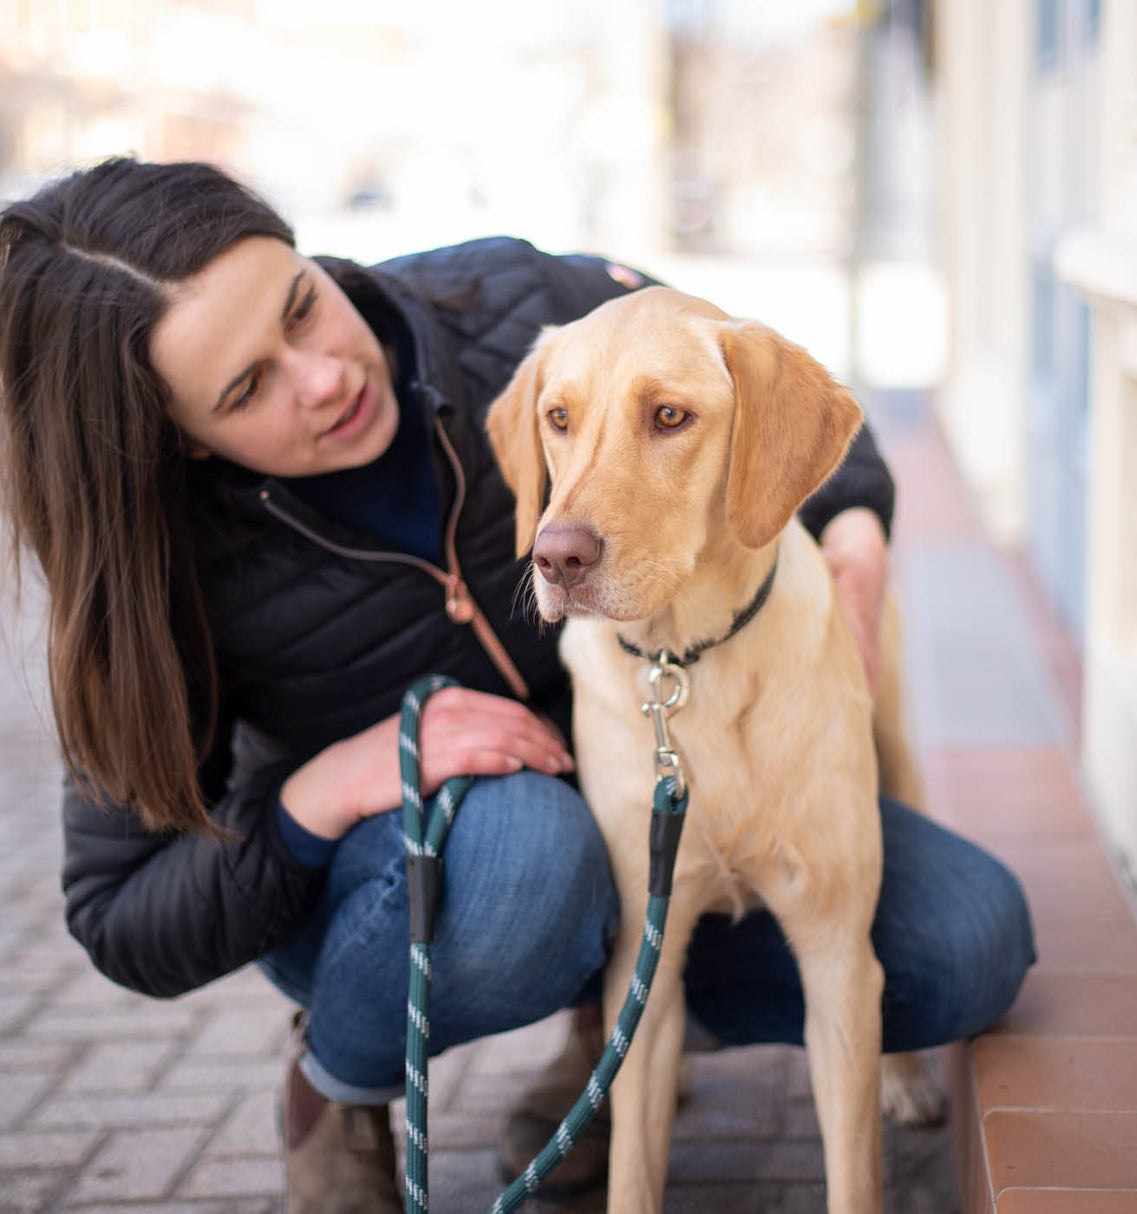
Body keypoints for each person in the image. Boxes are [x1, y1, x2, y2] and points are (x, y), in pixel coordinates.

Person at [0, 157, 1034, 1213]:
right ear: (175, 436)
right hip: (429, 874)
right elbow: (124, 918)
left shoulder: (521, 308)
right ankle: (342, 1075)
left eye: (301, 306)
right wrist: (341, 780)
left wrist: (854, 540)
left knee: (964, 944)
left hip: (669, 790)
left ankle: (608, 1025)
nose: (321, 375)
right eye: (245, 387)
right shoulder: (159, 566)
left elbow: (762, 395)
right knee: (528, 857)